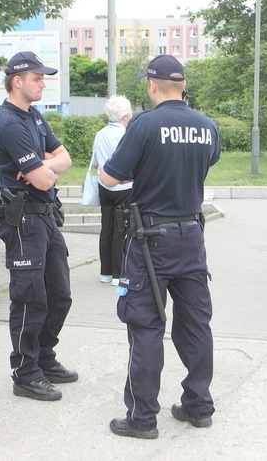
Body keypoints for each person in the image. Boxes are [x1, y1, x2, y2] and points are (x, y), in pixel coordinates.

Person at [100, 54, 220, 439]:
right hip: (192, 234)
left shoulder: (143, 125)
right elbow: (204, 164)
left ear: (152, 86)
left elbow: (108, 178)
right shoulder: (207, 126)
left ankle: (141, 418)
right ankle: (199, 405)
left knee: (145, 324)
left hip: (150, 241)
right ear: (182, 86)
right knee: (196, 322)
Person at [0, 51, 76, 402]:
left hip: (45, 215)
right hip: (23, 219)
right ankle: (25, 372)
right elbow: (41, 180)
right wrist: (46, 167)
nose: (43, 84)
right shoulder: (8, 122)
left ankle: (43, 357)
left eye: (44, 78)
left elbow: (66, 158)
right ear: (17, 81)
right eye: (38, 79)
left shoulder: (35, 116)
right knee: (29, 297)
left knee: (60, 294)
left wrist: (43, 164)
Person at [91, 95, 133, 287]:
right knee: (120, 230)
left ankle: (105, 272)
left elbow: (95, 163)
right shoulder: (125, 135)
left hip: (104, 187)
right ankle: (118, 274)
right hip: (123, 187)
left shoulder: (100, 134)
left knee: (106, 229)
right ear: (125, 115)